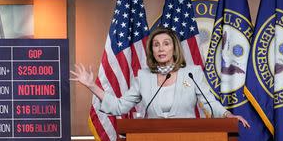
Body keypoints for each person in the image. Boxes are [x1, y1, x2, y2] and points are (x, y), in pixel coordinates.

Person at [71, 27, 249, 125]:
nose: (161, 48)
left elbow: (210, 103)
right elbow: (120, 107)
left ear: (174, 48)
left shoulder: (192, 73)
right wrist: (91, 86)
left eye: (166, 44)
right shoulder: (143, 77)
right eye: (156, 45)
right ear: (152, 50)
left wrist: (227, 115)